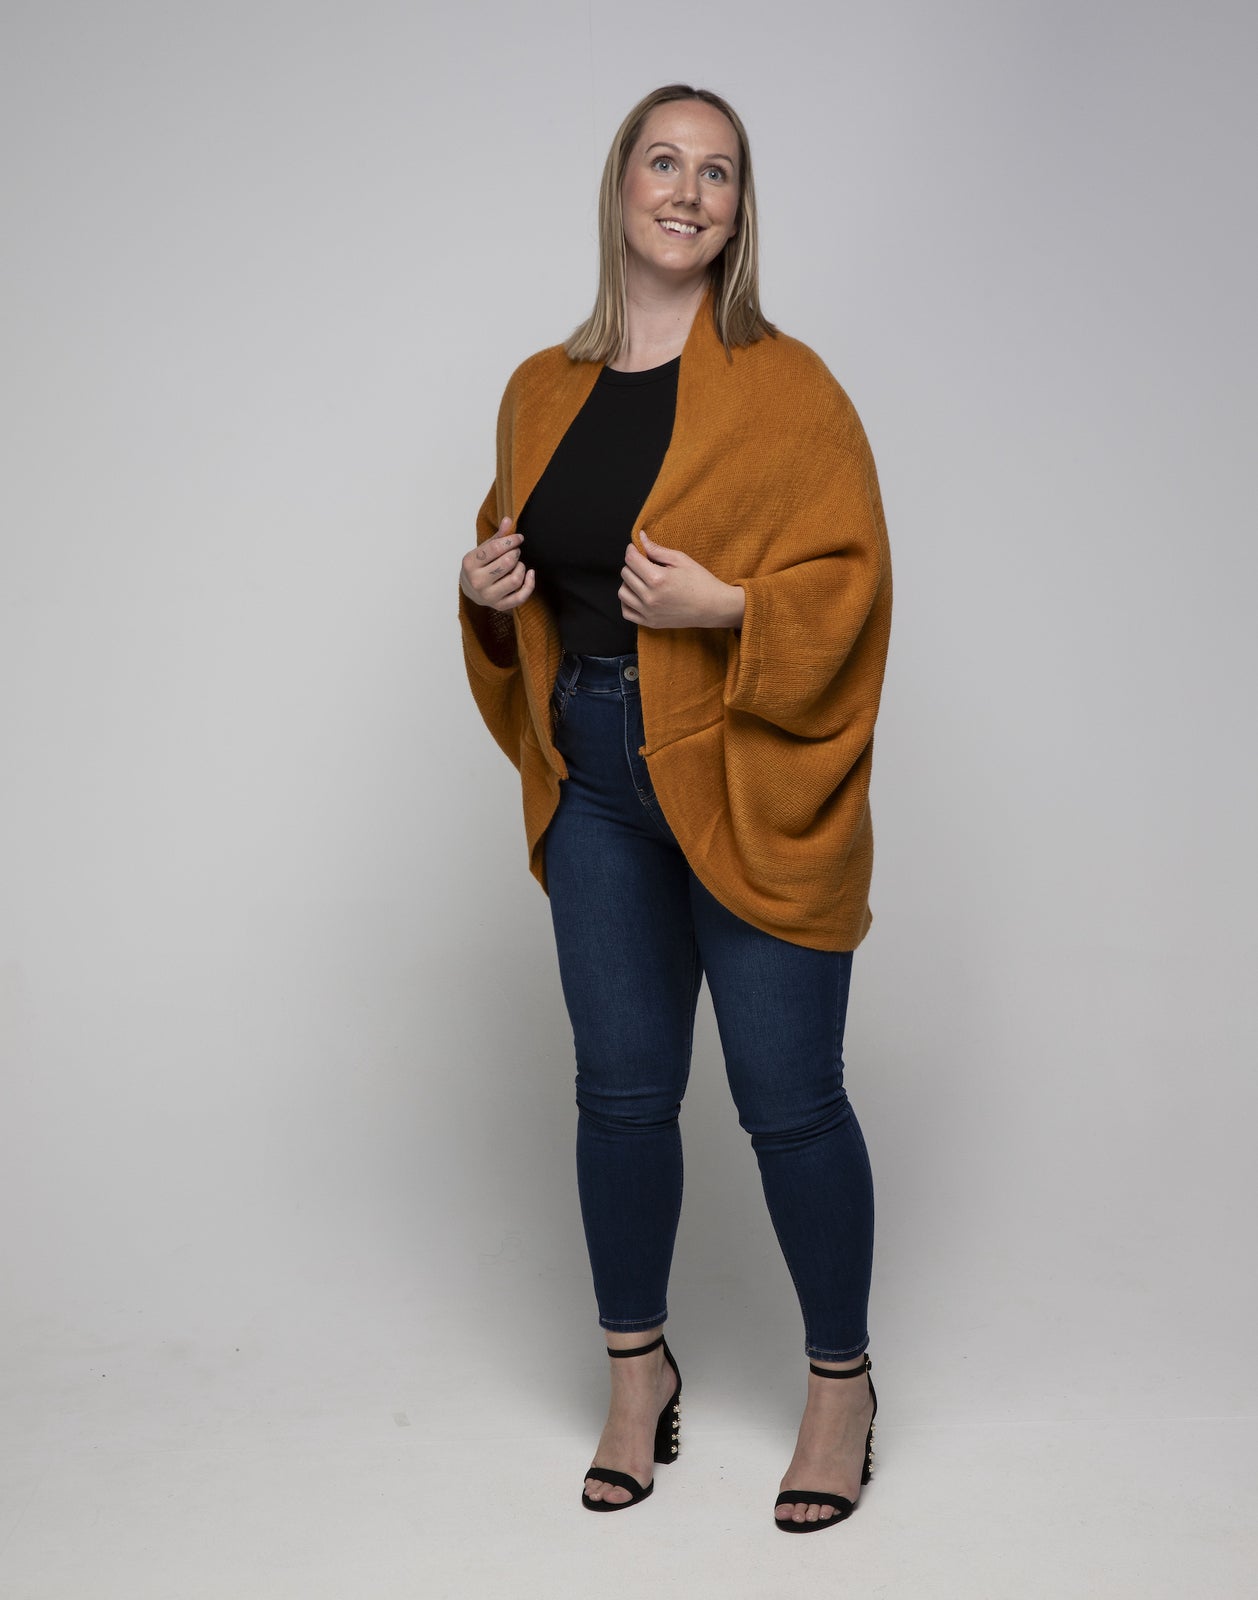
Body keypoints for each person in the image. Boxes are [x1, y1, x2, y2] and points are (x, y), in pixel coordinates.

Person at [457, 84, 891, 1532]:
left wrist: (731, 608)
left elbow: (853, 588)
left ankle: (840, 1389)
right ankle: (636, 1376)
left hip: (744, 769)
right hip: (594, 768)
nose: (688, 192)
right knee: (622, 1095)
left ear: (738, 211)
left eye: (718, 172)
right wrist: (485, 590)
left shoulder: (790, 387)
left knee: (790, 1101)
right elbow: (519, 555)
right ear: (620, 186)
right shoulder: (540, 387)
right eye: (664, 162)